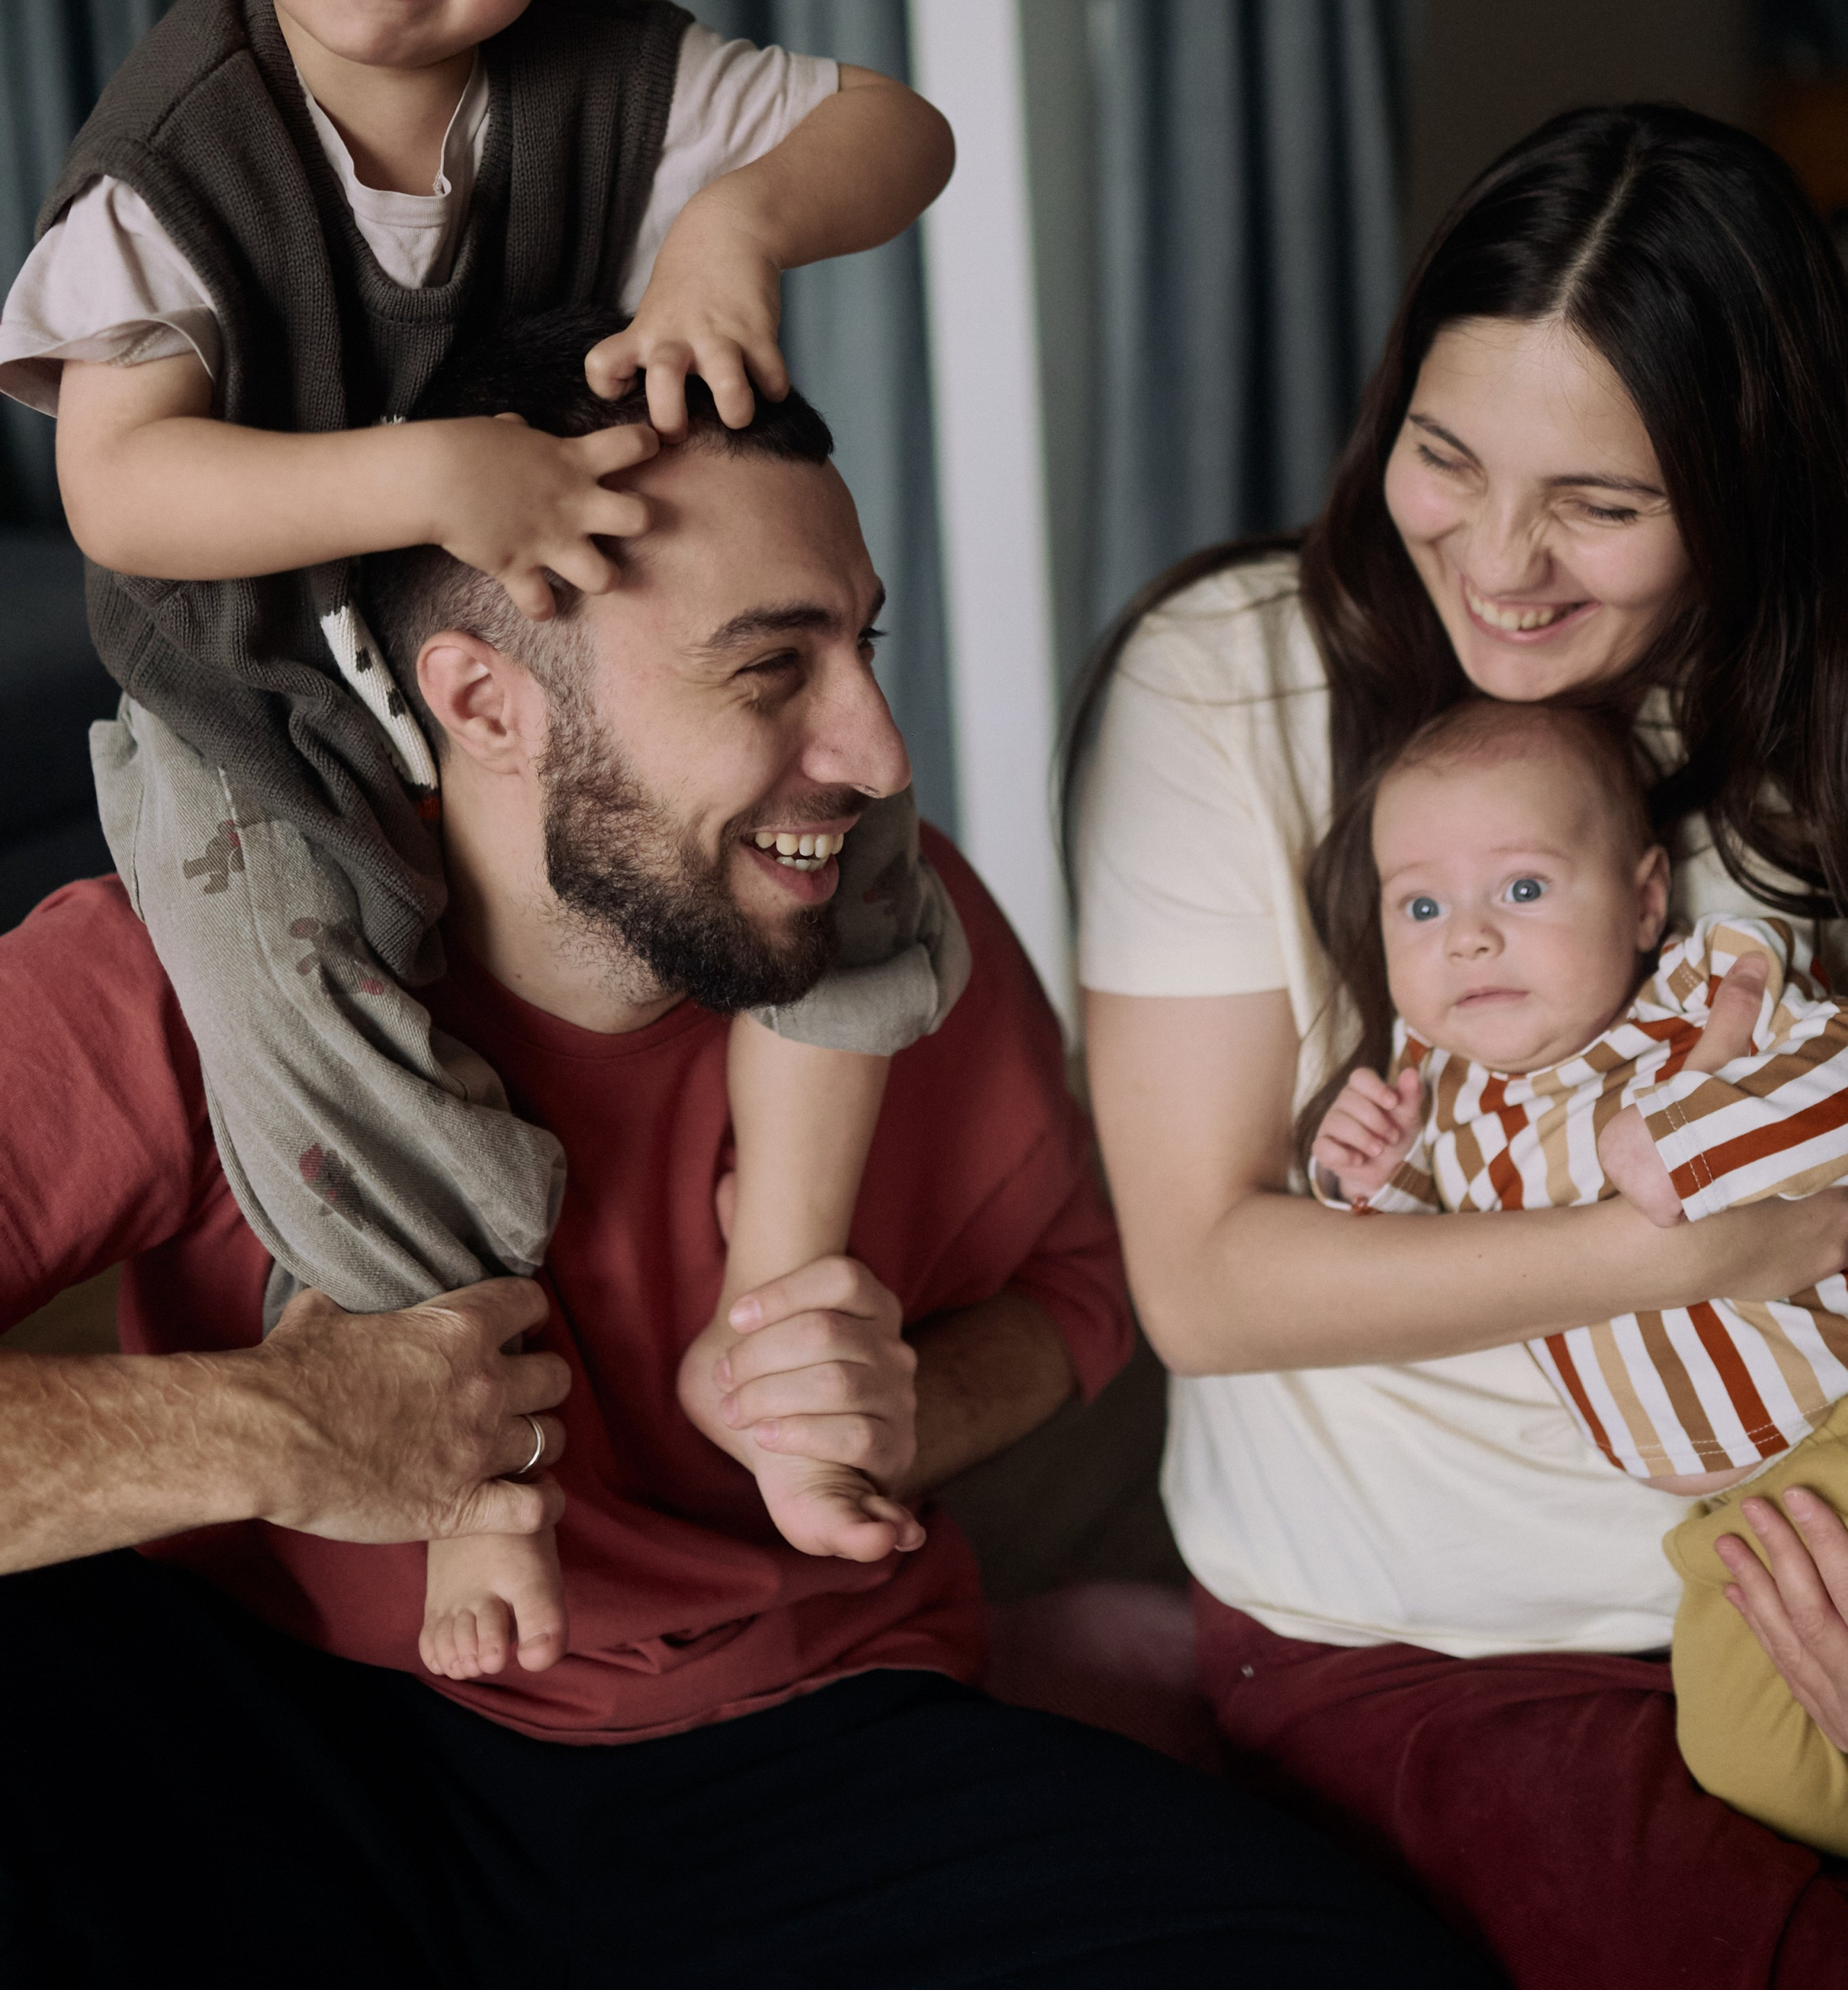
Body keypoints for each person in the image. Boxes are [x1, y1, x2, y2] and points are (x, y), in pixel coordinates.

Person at [0, 323, 1492, 1990]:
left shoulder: (887, 930)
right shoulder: (181, 973)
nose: (877, 752)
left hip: (800, 1740)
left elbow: (1078, 1287)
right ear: (487, 702)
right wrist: (270, 1427)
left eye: (861, 645)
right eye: (770, 667)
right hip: (293, 1738)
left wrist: (909, 1403)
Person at [0, 0, 967, 1676]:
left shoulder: (602, 79)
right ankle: (479, 1489)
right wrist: (429, 471)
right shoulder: (181, 167)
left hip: (509, 661)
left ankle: (776, 1294)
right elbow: (125, 502)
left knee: (853, 834)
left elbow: (899, 134)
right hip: (257, 704)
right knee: (318, 1022)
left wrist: (736, 223)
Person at [1075, 102, 1848, 1986]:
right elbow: (1204, 1280)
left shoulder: (1809, 729)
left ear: (1750, 489)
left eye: (1602, 500)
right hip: (1456, 1644)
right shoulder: (1226, 683)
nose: (1499, 562)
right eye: (1446, 457)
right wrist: (1696, 1240)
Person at [1307, 695, 1848, 1851]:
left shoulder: (1704, 999)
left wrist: (1689, 1139)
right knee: (1749, 1761)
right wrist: (1363, 1174)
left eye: (1523, 888)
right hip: (1724, 1508)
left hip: (1836, 1420)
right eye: (1420, 903)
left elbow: (1833, 1086)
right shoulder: (1436, 1089)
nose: (1468, 937)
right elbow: (1418, 1266)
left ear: (1648, 899)